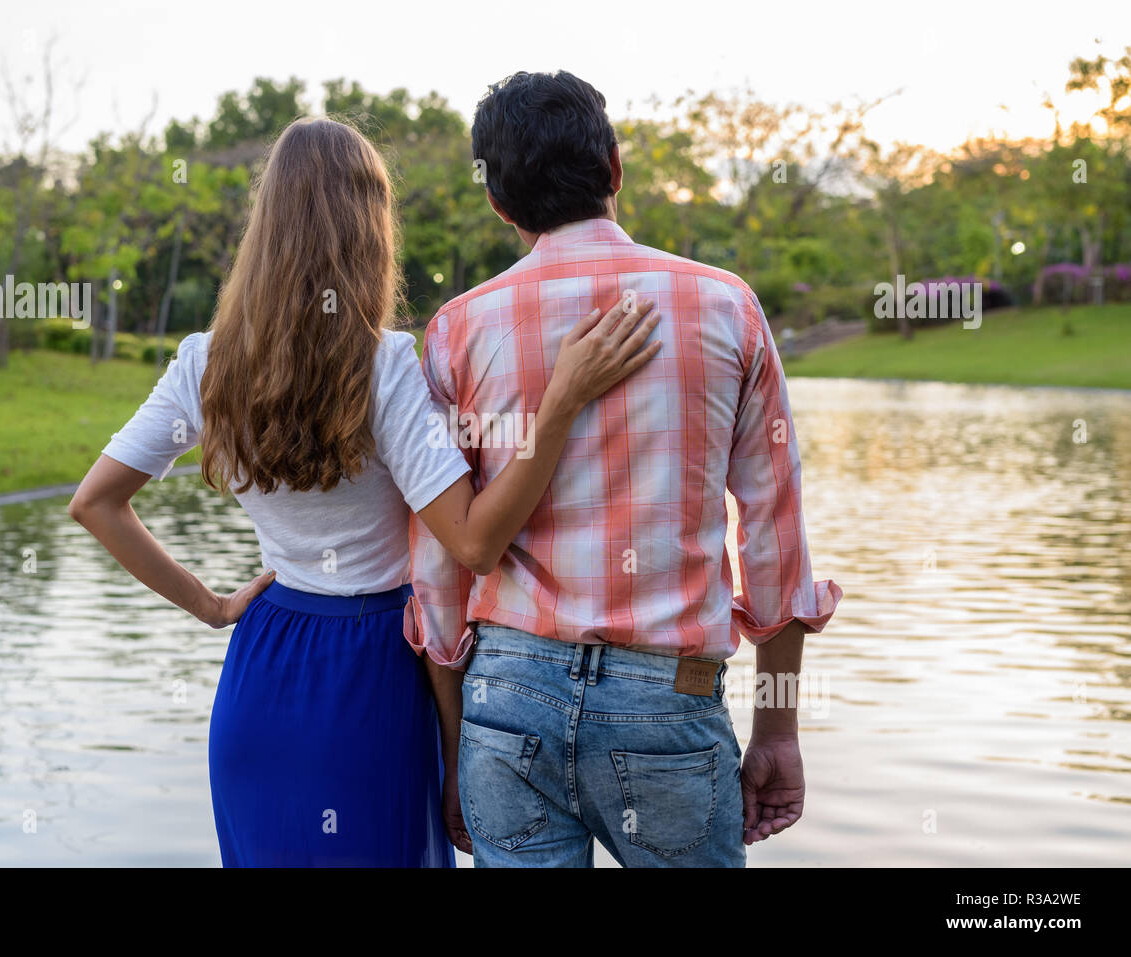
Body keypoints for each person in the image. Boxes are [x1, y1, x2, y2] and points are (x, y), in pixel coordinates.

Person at [67, 116, 660, 867]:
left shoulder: (204, 363)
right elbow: (473, 541)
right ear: (368, 227)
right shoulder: (383, 366)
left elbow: (95, 502)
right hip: (378, 671)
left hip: (263, 669)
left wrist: (213, 607)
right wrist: (562, 405)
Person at [407, 71, 843, 867]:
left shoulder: (456, 330)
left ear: (499, 204)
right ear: (614, 166)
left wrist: (452, 745)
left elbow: (438, 569)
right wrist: (777, 726)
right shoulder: (726, 306)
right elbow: (775, 535)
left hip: (505, 700)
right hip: (667, 702)